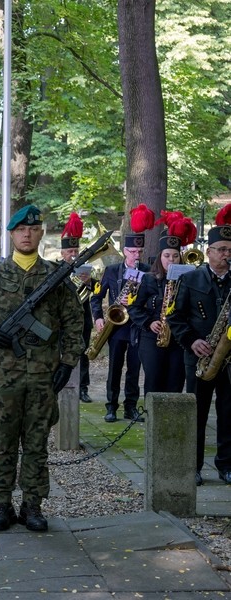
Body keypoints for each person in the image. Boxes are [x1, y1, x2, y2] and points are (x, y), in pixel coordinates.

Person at [0, 205, 83, 533]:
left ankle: (32, 505)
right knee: (4, 441)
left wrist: (68, 363)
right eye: (21, 230)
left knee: (37, 442)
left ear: (41, 233)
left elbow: (73, 322)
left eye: (33, 229)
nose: (27, 234)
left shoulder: (56, 276)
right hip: (6, 374)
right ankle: (1, 505)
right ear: (11, 234)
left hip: (43, 376)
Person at [167, 206, 231, 487]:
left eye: (230, 250)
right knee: (197, 413)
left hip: (229, 359)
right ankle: (192, 466)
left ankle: (226, 465)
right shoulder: (189, 279)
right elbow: (175, 317)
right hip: (200, 357)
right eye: (222, 249)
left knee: (229, 414)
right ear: (209, 252)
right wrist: (193, 341)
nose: (227, 255)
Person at [90, 204, 154, 423]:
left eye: (139, 251)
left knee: (134, 370)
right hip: (116, 327)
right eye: (132, 251)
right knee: (114, 369)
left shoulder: (148, 272)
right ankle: (111, 406)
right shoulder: (111, 271)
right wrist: (98, 317)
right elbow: (96, 297)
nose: (136, 255)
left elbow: (154, 299)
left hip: (137, 326)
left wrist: (138, 303)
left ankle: (131, 407)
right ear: (125, 251)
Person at [128, 228, 187, 397]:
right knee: (154, 382)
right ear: (160, 257)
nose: (171, 260)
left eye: (175, 256)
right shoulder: (148, 279)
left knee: (175, 383)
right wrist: (149, 322)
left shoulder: (188, 280)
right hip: (152, 338)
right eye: (167, 255)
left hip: (179, 340)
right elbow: (134, 307)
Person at [60, 212, 93, 403]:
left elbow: (96, 292)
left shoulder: (86, 270)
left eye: (75, 251)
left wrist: (89, 284)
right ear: (62, 254)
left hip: (83, 318)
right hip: (62, 319)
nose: (73, 255)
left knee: (83, 352)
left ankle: (83, 387)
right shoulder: (56, 269)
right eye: (70, 252)